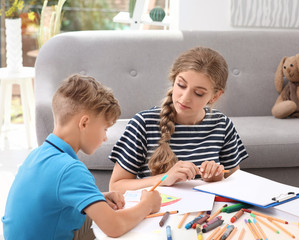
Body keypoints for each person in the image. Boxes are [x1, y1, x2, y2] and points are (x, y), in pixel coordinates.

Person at [2, 74, 161, 240]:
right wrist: (147, 205)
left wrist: (99, 196)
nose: (105, 137)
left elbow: (54, 196)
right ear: (84, 123)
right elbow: (114, 227)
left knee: (108, 216)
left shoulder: (38, 154)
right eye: (105, 129)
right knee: (124, 227)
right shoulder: (70, 170)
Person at [109, 47, 249, 193]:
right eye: (181, 85)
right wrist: (164, 178)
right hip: (157, 212)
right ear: (173, 80)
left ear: (215, 96)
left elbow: (235, 184)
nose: (185, 98)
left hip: (204, 213)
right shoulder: (143, 124)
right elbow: (115, 187)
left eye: (198, 93)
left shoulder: (222, 126)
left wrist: (216, 180)